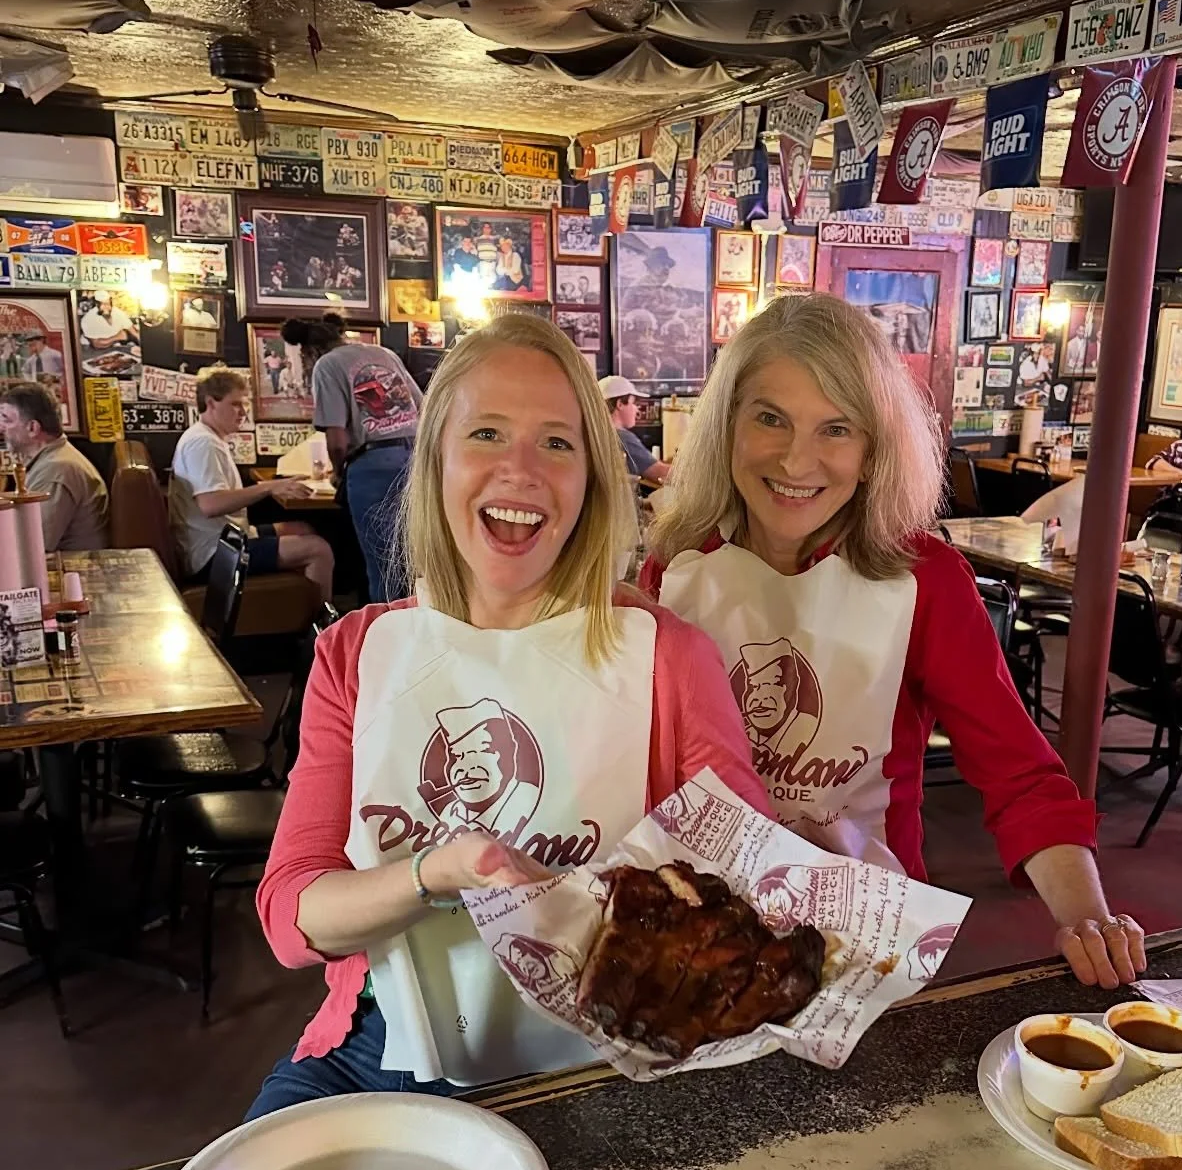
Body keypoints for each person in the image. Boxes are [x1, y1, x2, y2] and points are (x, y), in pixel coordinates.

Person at [248, 312, 770, 1113]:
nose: (520, 470)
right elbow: (292, 918)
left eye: (557, 443)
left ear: (592, 478)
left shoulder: (668, 656)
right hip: (381, 1049)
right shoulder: (356, 653)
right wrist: (442, 872)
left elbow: (746, 892)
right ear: (436, 462)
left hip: (612, 1056)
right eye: (486, 433)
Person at [639, 293, 1146, 990]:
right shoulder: (676, 567)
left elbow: (1021, 776)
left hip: (861, 934)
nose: (797, 459)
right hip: (702, 927)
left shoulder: (927, 581)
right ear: (725, 427)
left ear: (875, 449)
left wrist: (1088, 917)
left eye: (836, 429)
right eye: (769, 418)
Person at [292, 315, 423, 602]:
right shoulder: (382, 353)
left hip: (372, 466)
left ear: (310, 351)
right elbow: (423, 405)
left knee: (383, 566)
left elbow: (337, 440)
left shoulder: (326, 365)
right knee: (415, 561)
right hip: (416, 459)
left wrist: (339, 472)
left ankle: (384, 637)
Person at [168, 368, 334, 596]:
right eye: (235, 404)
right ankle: (322, 628)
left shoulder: (208, 438)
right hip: (213, 554)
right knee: (319, 550)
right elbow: (211, 505)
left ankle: (294, 610)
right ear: (211, 403)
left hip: (228, 537)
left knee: (302, 528)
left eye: (244, 405)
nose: (243, 412)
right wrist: (269, 487)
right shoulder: (203, 444)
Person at [0, 381, 108, 550]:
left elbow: (31, 547)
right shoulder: (54, 460)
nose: (1, 428)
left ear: (32, 428)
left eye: (6, 419)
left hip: (70, 572)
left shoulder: (57, 470)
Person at [599, 374, 671, 485]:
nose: (636, 410)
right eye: (633, 403)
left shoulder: (599, 434)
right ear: (620, 404)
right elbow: (661, 474)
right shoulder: (623, 438)